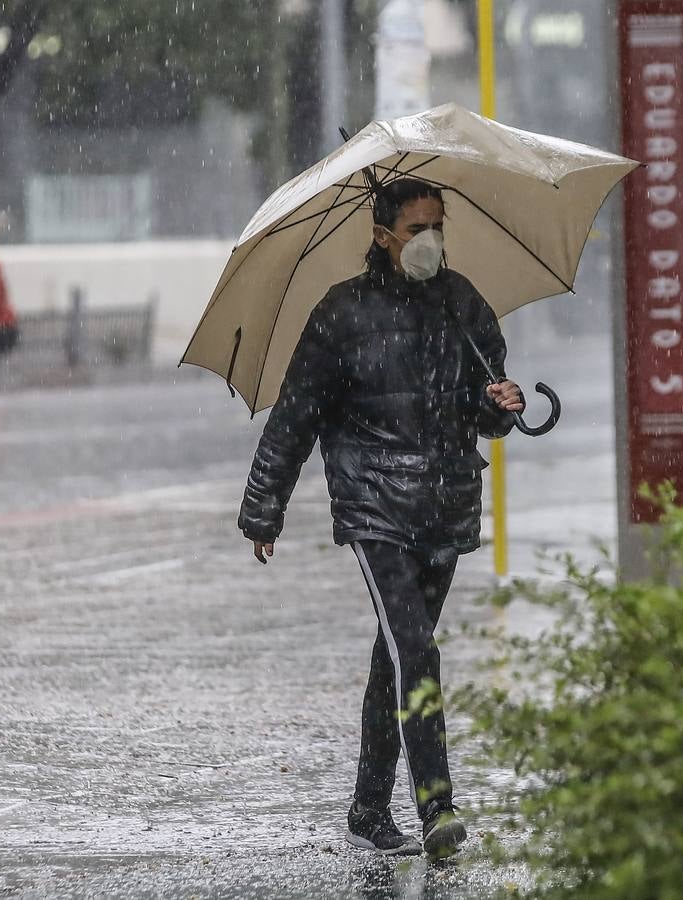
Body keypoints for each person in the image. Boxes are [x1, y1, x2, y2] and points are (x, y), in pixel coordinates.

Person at [237, 177, 525, 859]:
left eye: (437, 226)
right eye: (417, 228)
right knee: (415, 648)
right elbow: (296, 414)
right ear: (382, 236)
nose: (430, 240)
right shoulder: (341, 314)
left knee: (396, 652)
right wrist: (263, 509)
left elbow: (482, 412)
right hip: (373, 506)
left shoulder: (462, 305)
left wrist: (498, 403)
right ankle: (437, 808)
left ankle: (368, 808)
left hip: (445, 502)